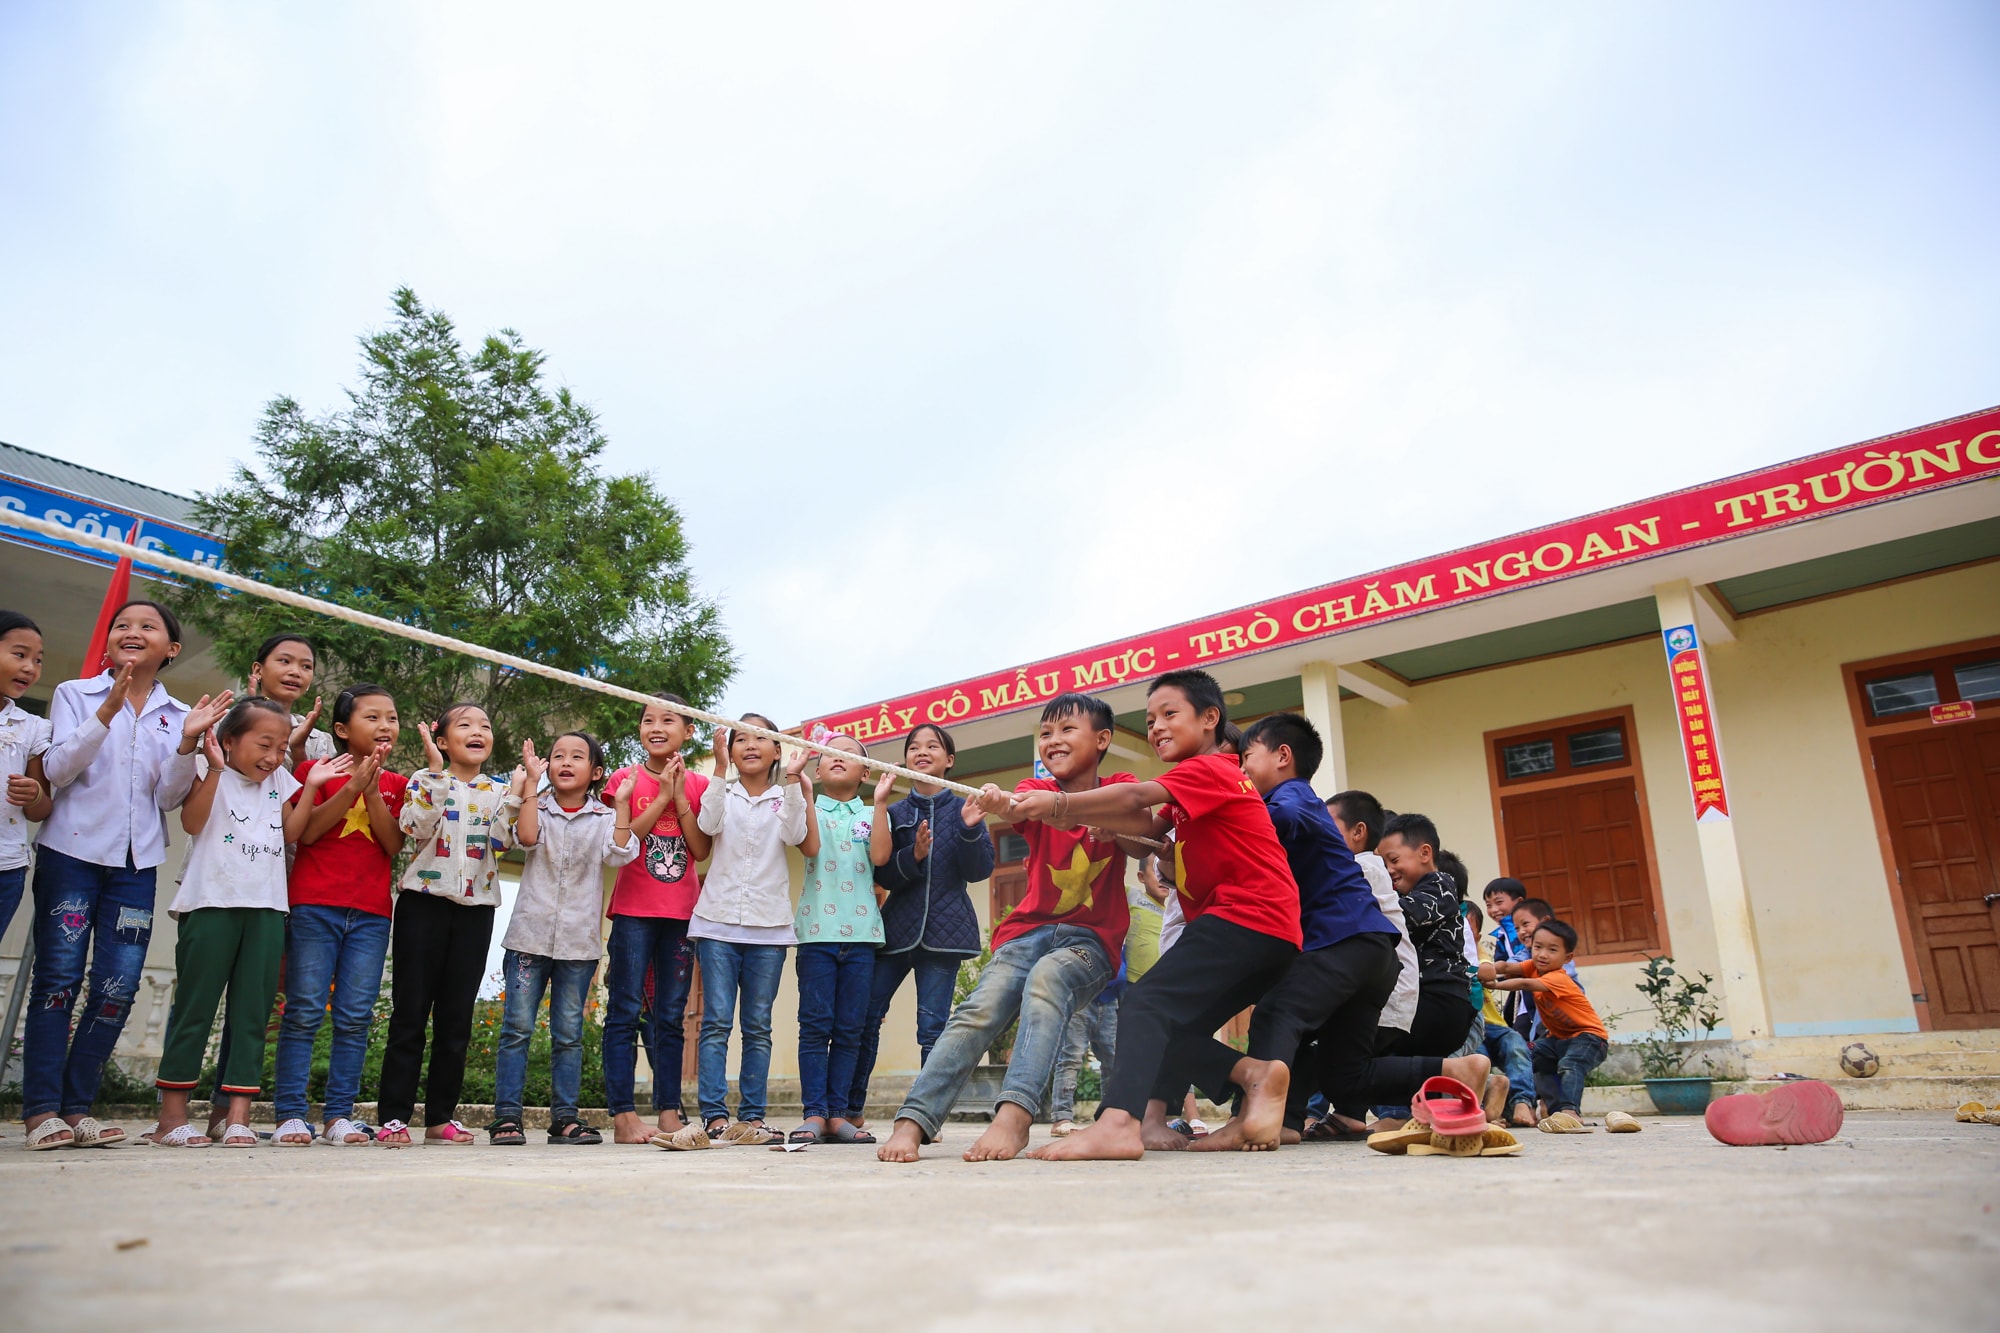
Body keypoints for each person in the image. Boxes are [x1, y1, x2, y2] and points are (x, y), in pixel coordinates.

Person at [1007, 669, 1302, 1161]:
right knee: (1171, 1026)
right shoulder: (1200, 787)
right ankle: (1252, 1077)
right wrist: (1075, 814)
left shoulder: (1212, 767)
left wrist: (1058, 800)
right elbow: (1141, 826)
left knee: (1143, 1004)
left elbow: (1135, 798)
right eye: (1150, 720)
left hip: (1248, 915)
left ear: (1210, 719)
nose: (1157, 727)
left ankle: (1118, 1122)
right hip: (1271, 931)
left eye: (1170, 714)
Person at [1213, 715, 1488, 1152]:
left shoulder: (1293, 797)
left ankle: (1256, 1119)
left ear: (1283, 756)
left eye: (1246, 757)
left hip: (1345, 945)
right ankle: (1453, 1071)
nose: (1241, 769)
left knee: (1277, 1013)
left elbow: (1278, 819)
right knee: (1346, 1073)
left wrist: (1224, 812)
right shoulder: (1307, 818)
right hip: (1375, 959)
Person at [877, 694, 1132, 1164]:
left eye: (1066, 731)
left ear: (1102, 740)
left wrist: (1100, 822)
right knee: (978, 1009)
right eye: (1046, 733)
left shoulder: (1120, 786)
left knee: (1047, 980)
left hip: (1089, 942)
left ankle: (1015, 1117)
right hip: (1025, 934)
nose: (1053, 740)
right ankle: (913, 1119)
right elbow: (1019, 809)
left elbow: (1135, 815)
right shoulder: (1034, 787)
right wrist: (1001, 804)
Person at [23, 601, 224, 1151]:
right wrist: (107, 711)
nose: (131, 632)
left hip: (136, 866)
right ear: (109, 641)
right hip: (71, 855)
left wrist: (187, 744)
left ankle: (78, 1109)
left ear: (171, 650)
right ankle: (42, 1110)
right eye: (122, 625)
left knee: (116, 989)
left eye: (146, 627)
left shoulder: (176, 713)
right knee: (58, 981)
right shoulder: (73, 695)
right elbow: (60, 771)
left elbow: (166, 797)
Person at [147, 698, 331, 1146]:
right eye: (263, 744)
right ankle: (171, 1119)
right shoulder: (210, 775)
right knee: (195, 1009)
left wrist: (310, 788)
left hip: (267, 909)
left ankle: (238, 1119)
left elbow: (292, 833)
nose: (272, 756)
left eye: (280, 745)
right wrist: (211, 769)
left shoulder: (279, 780)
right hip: (210, 904)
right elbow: (191, 822)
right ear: (229, 741)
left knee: (252, 1015)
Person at [377, 703, 526, 1147]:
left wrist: (518, 792)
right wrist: (437, 773)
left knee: (455, 1020)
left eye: (485, 725)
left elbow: (502, 842)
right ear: (442, 740)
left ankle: (441, 1118)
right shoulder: (424, 781)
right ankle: (394, 1117)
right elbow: (414, 826)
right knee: (409, 1015)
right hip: (422, 908)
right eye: (465, 725)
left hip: (475, 911)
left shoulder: (499, 791)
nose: (478, 731)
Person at [269, 684, 408, 1146]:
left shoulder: (398, 785)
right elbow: (305, 835)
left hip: (370, 913)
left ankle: (338, 1116)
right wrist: (351, 784)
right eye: (372, 717)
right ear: (344, 730)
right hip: (314, 905)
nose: (385, 725)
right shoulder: (314, 770)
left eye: (391, 717)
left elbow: (392, 845)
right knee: (305, 1010)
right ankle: (290, 1112)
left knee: (355, 1016)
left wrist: (372, 793)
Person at [490, 733, 639, 1146]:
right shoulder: (538, 807)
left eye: (577, 757)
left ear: (596, 773)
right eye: (557, 756)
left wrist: (623, 803)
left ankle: (565, 1118)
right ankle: (506, 1117)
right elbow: (528, 838)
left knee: (569, 1033)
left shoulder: (603, 816)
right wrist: (532, 787)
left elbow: (621, 852)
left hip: (578, 944)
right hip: (528, 938)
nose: (565, 762)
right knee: (516, 1028)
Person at [847, 722, 995, 1122]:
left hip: (945, 936)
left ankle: (928, 1115)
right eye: (914, 747)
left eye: (933, 746)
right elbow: (881, 877)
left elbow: (980, 870)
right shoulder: (894, 812)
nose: (922, 752)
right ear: (906, 757)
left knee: (932, 1029)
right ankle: (851, 1108)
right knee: (866, 1017)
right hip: (895, 930)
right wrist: (911, 856)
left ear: (949, 760)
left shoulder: (968, 806)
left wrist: (967, 830)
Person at [676, 715, 809, 1149]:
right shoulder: (723, 792)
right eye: (740, 738)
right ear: (730, 750)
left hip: (769, 928)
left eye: (761, 739)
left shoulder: (783, 795)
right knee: (715, 1023)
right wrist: (716, 770)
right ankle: (714, 1116)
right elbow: (708, 826)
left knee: (757, 1026)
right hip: (716, 923)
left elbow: (796, 833)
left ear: (776, 751)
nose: (750, 744)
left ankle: (752, 1118)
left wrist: (793, 782)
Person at [599, 696, 712, 1145]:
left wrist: (679, 794)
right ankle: (623, 1116)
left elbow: (701, 851)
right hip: (632, 912)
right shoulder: (625, 779)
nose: (657, 727)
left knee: (670, 1015)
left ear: (688, 731)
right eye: (648, 720)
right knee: (624, 1010)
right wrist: (661, 795)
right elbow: (625, 843)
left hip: (682, 915)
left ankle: (669, 1110)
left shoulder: (701, 783)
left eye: (669, 720)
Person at [1329, 812, 1478, 1133]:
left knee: (1362, 1044)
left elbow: (1406, 917)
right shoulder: (1414, 891)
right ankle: (1466, 1095)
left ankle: (1391, 1114)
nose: (1388, 869)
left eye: (1393, 859)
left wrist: (1368, 892)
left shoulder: (1441, 884)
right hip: (1429, 1001)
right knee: (1367, 1053)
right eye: (1382, 863)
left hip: (1437, 999)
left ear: (1425, 853)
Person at [789, 732, 884, 1146]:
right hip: (816, 935)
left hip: (863, 938)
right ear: (818, 769)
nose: (837, 758)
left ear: (866, 773)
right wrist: (802, 791)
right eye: (829, 755)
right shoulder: (812, 806)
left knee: (850, 1029)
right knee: (814, 1027)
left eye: (849, 755)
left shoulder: (871, 813)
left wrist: (881, 803)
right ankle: (814, 1113)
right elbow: (809, 847)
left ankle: (840, 1115)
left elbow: (880, 858)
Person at [1485, 917, 1609, 1132]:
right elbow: (1507, 966)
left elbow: (1523, 983)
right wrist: (1486, 968)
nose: (1542, 955)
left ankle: (1570, 1111)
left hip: (1588, 1037)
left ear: (1567, 957)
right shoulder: (1533, 966)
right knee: (1524, 1058)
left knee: (1571, 1065)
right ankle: (1518, 1108)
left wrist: (1494, 984)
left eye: (1552, 950)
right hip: (1557, 1038)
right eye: (1538, 947)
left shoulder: (1558, 977)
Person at [0, 610, 53, 943]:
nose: (30, 668)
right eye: (19, 655)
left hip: (6, 868)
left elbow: (41, 810)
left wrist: (33, 795)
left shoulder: (32, 727)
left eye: (38, 661)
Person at [1478, 877, 1537, 1127]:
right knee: (1479, 1056)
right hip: (1517, 998)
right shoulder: (1501, 933)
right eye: (1489, 905)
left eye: (1499, 903)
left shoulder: (1517, 929)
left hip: (1533, 997)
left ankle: (1523, 1102)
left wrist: (1496, 972)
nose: (1494, 910)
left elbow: (1512, 963)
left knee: (1518, 1045)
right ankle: (1491, 1109)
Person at [243, 631, 337, 768]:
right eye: (284, 661)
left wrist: (298, 752)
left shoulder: (319, 742)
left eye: (306, 666)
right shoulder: (223, 722)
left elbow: (316, 789)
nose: (295, 672)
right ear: (258, 670)